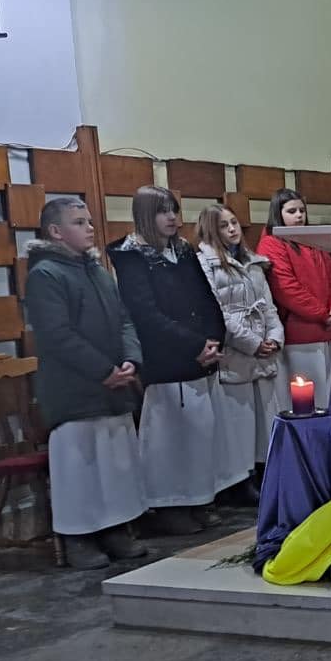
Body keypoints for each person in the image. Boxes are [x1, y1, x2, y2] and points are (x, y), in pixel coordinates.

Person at [108, 186, 245, 534]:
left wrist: (214, 339)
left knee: (200, 434)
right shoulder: (131, 256)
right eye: (162, 211)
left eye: (174, 210)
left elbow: (206, 297)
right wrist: (194, 344)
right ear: (145, 215)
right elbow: (145, 314)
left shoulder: (182, 250)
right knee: (169, 438)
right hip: (166, 358)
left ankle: (199, 497)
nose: (171, 218)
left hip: (201, 356)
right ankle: (169, 503)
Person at [22, 198, 149, 569]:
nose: (90, 227)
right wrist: (103, 370)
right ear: (56, 231)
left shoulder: (96, 270)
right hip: (75, 390)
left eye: (89, 221)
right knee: (80, 467)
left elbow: (125, 319)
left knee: (114, 465)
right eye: (79, 222)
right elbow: (57, 335)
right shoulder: (45, 275)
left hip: (115, 384)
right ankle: (78, 537)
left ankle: (115, 529)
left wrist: (130, 360)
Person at [196, 203, 283, 494]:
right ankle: (240, 480)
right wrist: (252, 343)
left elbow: (268, 306)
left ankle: (265, 471)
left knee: (265, 418)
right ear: (211, 230)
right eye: (224, 225)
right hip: (236, 352)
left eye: (234, 222)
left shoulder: (254, 262)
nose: (232, 229)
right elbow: (218, 312)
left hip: (262, 347)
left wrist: (275, 337)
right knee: (239, 422)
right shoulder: (205, 264)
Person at [256, 188, 331, 409]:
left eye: (302, 210)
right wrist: (323, 314)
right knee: (308, 401)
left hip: (326, 330)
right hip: (299, 334)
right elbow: (286, 288)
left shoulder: (313, 240)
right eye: (292, 211)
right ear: (278, 213)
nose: (299, 215)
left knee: (328, 397)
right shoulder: (271, 243)